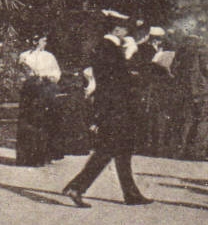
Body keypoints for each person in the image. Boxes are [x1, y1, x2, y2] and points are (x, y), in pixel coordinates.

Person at [60, 22, 154, 207]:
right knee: (109, 149)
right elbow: (117, 78)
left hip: (114, 107)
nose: (127, 34)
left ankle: (131, 193)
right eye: (125, 30)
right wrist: (130, 59)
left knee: (122, 150)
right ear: (116, 30)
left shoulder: (108, 48)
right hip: (115, 108)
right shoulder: (109, 48)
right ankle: (77, 187)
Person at [15, 35, 62, 165]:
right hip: (30, 92)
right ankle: (26, 157)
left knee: (44, 121)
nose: (45, 43)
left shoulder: (49, 56)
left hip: (45, 91)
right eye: (42, 40)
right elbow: (20, 74)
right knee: (28, 122)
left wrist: (50, 78)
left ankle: (44, 155)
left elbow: (56, 72)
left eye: (45, 40)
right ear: (35, 41)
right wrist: (30, 77)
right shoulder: (24, 56)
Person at [172, 35, 208, 161]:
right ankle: (198, 152)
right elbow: (207, 70)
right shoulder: (201, 50)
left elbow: (173, 70)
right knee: (204, 119)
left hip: (185, 90)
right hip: (201, 89)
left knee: (187, 120)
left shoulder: (181, 52)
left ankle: (180, 150)